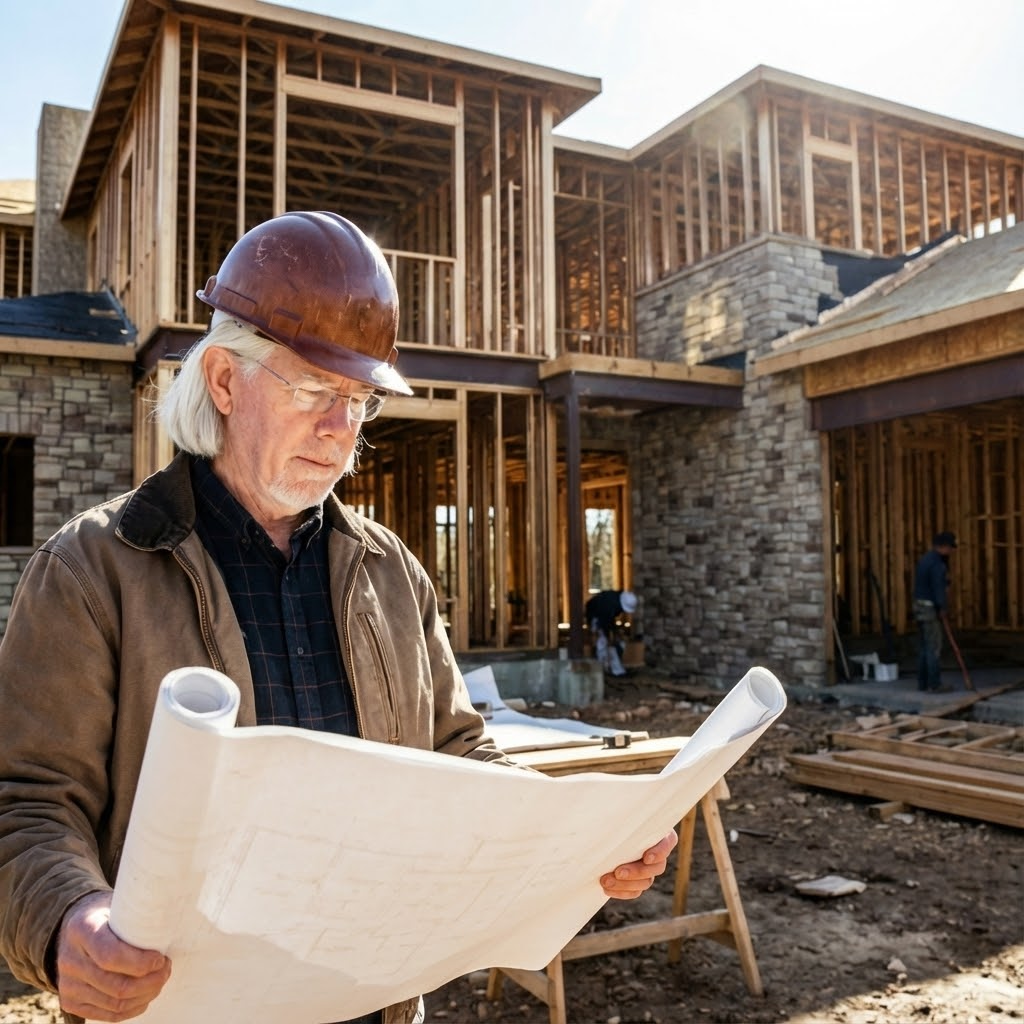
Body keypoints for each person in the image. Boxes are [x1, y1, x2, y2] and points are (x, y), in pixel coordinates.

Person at [0, 212, 676, 1024]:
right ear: (223, 381)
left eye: (358, 399)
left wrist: (580, 844)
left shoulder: (391, 574)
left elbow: (459, 755)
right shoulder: (93, 571)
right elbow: (27, 802)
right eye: (317, 390)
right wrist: (69, 918)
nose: (342, 428)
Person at [912, 530, 957, 692]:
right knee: (934, 646)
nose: (952, 551)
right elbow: (939, 588)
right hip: (930, 608)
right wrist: (943, 608)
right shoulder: (938, 564)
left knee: (924, 646)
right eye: (950, 548)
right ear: (943, 547)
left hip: (919, 606)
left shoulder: (925, 560)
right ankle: (934, 684)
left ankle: (922, 683)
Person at [585, 589, 638, 677]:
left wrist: (616, 633)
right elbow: (604, 622)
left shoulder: (617, 601)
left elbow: (611, 620)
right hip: (595, 615)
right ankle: (604, 669)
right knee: (602, 642)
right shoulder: (608, 604)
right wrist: (610, 638)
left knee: (616, 643)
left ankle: (612, 668)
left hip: (603, 617)